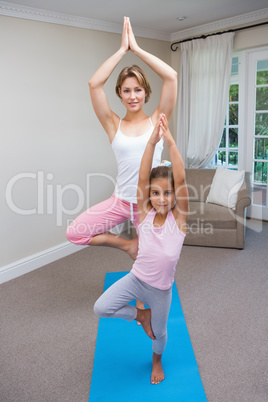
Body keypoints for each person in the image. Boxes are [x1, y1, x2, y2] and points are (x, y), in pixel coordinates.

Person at [65, 16, 177, 264]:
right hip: (120, 201)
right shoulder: (113, 124)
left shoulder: (158, 120)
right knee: (74, 232)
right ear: (119, 93)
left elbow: (171, 77)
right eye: (126, 90)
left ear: (146, 92)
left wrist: (136, 49)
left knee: (154, 258)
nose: (132, 96)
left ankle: (144, 290)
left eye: (138, 89)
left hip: (148, 204)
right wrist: (121, 51)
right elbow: (94, 84)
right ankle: (127, 245)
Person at [94, 114, 189, 385]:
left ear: (175, 196)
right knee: (101, 307)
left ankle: (156, 361)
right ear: (148, 195)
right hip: (136, 280)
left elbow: (181, 180)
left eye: (168, 193)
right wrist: (151, 143)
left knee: (160, 333)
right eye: (155, 193)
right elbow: (142, 177)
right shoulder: (144, 214)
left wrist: (169, 140)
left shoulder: (179, 220)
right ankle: (140, 314)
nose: (161, 199)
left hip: (160, 290)